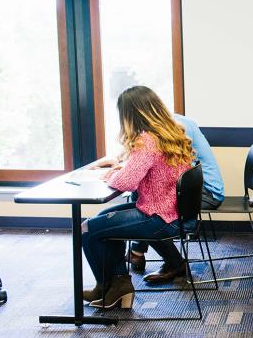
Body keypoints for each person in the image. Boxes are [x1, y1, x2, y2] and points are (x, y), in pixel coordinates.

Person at [81, 86, 195, 309]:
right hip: (171, 211)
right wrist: (122, 169)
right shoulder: (170, 133)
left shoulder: (147, 141)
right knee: (104, 217)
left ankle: (112, 285)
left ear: (131, 114)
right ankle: (113, 285)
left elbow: (126, 182)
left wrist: (111, 173)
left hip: (157, 217)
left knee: (87, 229)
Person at [121, 114, 226, 282]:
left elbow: (166, 164)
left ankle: (165, 260)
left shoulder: (176, 126)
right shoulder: (168, 123)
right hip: (193, 188)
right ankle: (137, 252)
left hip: (205, 192)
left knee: (151, 210)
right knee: (143, 197)